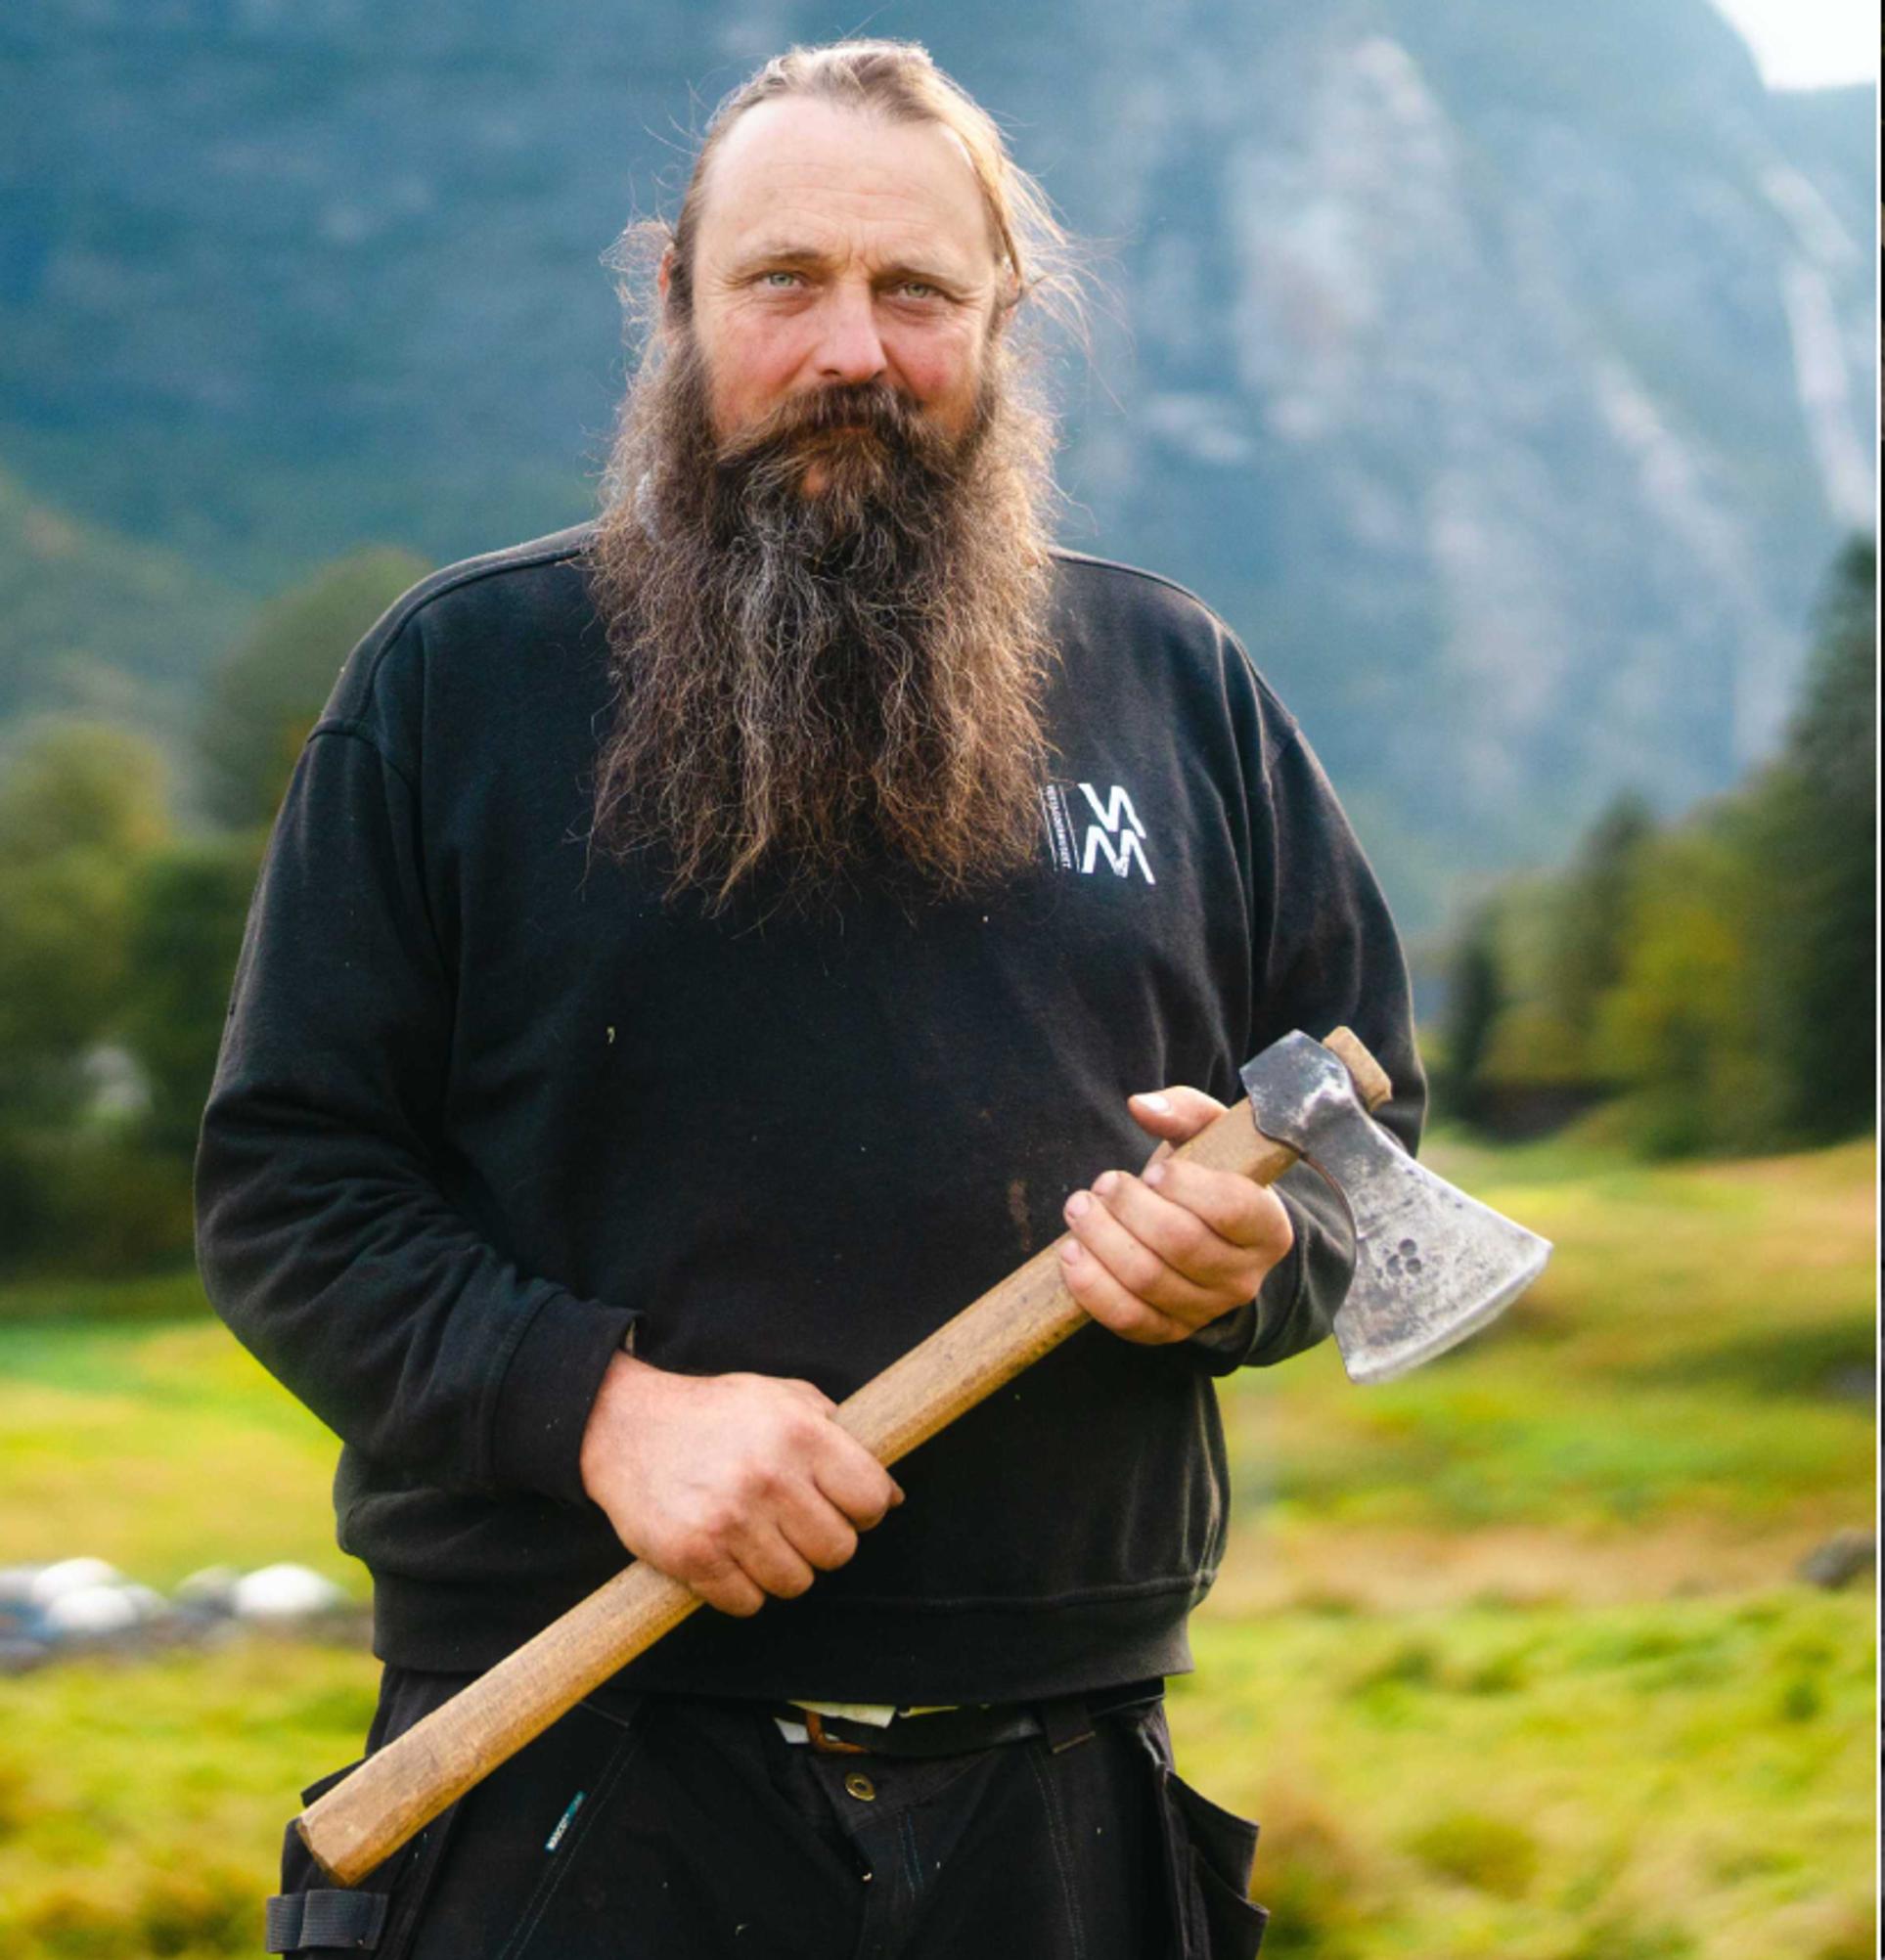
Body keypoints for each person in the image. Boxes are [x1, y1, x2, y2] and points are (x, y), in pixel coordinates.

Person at [196, 39, 1415, 1957]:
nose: (854, 348)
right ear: (676, 302)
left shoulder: (1180, 693)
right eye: (787, 282)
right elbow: (288, 1190)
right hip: (564, 1763)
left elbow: (1367, 1151)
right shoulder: (463, 685)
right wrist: (599, 1410)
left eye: (916, 291)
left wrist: (1254, 1258)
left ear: (1000, 322)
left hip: (1067, 1797)